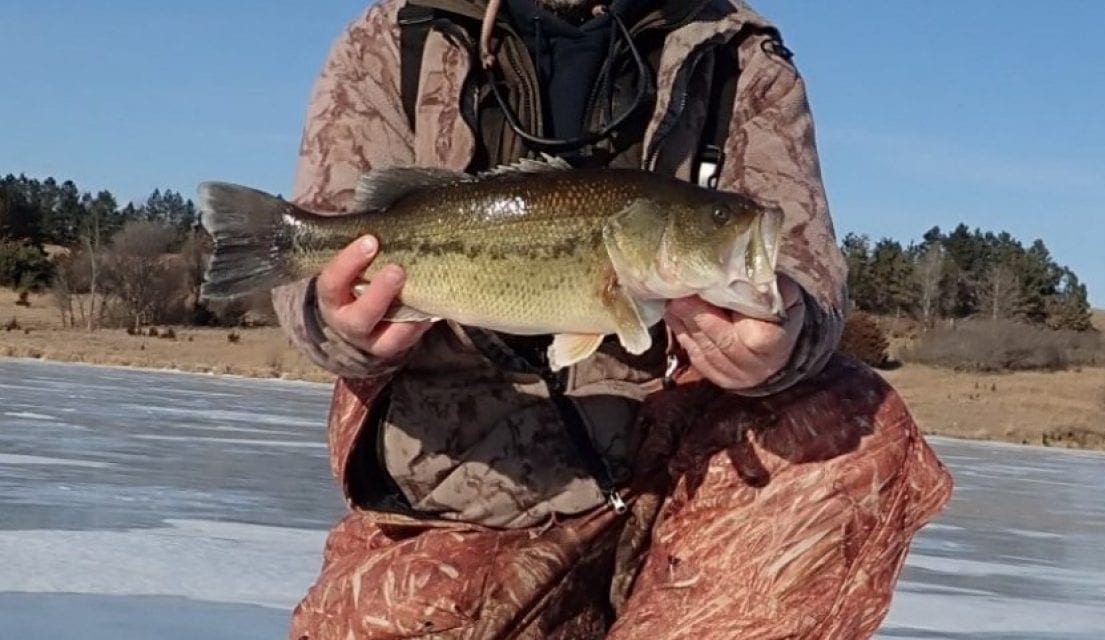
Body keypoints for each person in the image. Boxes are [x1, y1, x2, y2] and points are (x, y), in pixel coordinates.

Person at [269, 0, 953, 638]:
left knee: (854, 419)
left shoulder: (737, 55)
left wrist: (786, 333)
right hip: (454, 498)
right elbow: (314, 272)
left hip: (677, 484)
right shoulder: (395, 37)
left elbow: (803, 263)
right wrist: (337, 322)